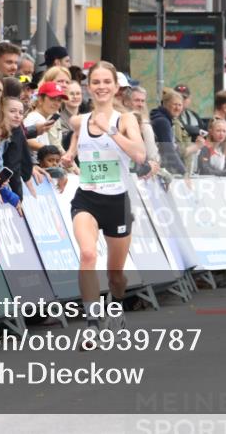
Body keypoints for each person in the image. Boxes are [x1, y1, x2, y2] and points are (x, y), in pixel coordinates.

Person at [60, 61, 146, 340]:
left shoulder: (126, 120)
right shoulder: (80, 120)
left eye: (106, 82)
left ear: (116, 86)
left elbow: (140, 155)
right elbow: (75, 130)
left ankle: (117, 308)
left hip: (117, 202)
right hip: (87, 198)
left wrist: (109, 130)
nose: (101, 87)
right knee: (87, 254)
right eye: (95, 82)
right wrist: (71, 152)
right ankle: (92, 324)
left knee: (115, 275)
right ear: (88, 86)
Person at [150, 89, 201, 176]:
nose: (177, 108)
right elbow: (168, 150)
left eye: (180, 105)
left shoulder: (168, 120)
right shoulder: (163, 122)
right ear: (165, 104)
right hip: (159, 170)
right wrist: (183, 172)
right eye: (174, 104)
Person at [25, 81, 67, 157]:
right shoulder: (35, 117)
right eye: (52, 99)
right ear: (40, 99)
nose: (57, 103)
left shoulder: (40, 117)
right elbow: (28, 141)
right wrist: (53, 152)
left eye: (59, 100)